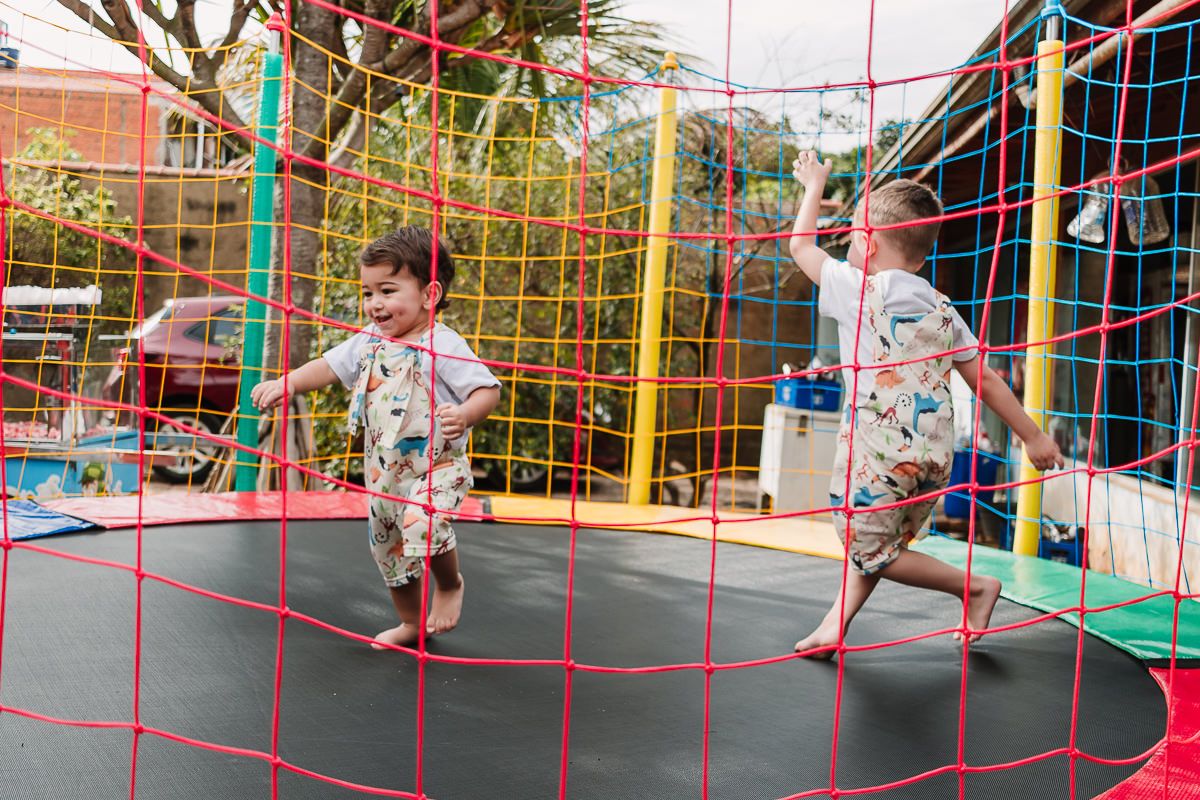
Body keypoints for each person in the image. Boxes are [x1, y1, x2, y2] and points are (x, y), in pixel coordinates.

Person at [786, 151, 1063, 658]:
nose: (846, 244)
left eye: (850, 236)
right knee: (882, 543)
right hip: (935, 457)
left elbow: (800, 245)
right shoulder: (942, 307)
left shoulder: (857, 289)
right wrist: (1033, 436)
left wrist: (813, 185)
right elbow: (988, 382)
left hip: (880, 452)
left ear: (867, 246)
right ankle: (833, 625)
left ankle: (973, 587)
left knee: (867, 543)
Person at [251, 226, 501, 650]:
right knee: (387, 549)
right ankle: (409, 622)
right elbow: (328, 367)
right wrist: (287, 382)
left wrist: (465, 412)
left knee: (424, 522)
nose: (374, 304)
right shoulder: (370, 341)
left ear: (429, 294)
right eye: (368, 293)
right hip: (384, 478)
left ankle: (449, 583)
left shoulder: (442, 343)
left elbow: (488, 389)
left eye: (387, 290)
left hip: (437, 469)